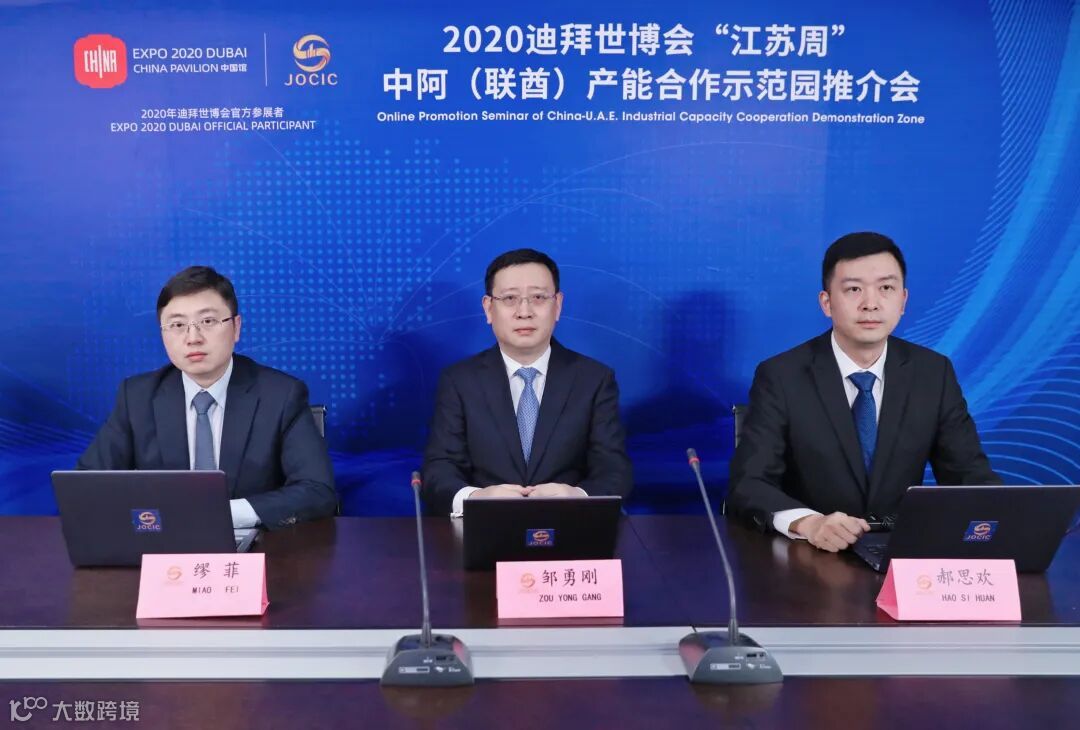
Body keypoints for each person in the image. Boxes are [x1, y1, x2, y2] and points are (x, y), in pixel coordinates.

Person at [727, 232, 1000, 552]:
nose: (871, 304)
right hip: (810, 555)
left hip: (902, 555)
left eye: (886, 288)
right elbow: (749, 484)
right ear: (826, 303)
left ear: (903, 301)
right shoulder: (782, 376)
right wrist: (809, 523)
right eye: (854, 289)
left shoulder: (933, 372)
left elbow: (970, 477)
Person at [77, 266, 337, 529]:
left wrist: (223, 513)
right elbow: (85, 485)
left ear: (236, 327)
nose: (193, 338)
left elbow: (317, 490)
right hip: (164, 544)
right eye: (178, 325)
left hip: (256, 546)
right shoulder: (137, 397)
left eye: (208, 321)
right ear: (163, 334)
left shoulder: (281, 395)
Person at [422, 248, 633, 516]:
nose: (524, 312)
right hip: (484, 527)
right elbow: (439, 469)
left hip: (570, 526)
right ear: (488, 308)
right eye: (510, 298)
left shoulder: (594, 379)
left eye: (538, 298)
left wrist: (579, 496)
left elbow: (614, 469)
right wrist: (475, 497)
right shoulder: (459, 381)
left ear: (557, 305)